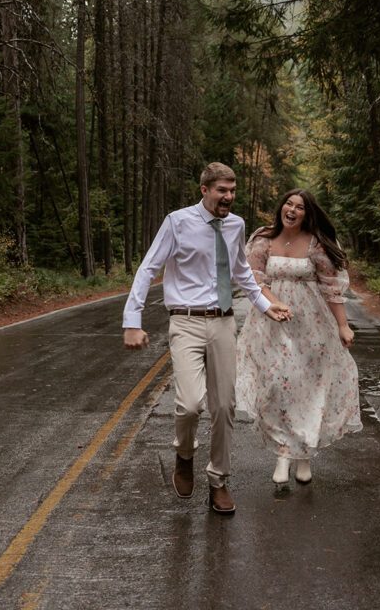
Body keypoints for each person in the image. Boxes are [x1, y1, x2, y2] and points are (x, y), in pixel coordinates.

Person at [122, 162, 291, 515]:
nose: (228, 197)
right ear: (204, 190)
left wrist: (265, 305)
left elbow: (242, 272)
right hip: (185, 321)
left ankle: (219, 481)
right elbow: (148, 268)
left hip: (224, 323)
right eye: (221, 191)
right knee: (188, 405)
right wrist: (131, 321)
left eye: (232, 191)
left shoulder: (236, 225)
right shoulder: (177, 222)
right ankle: (184, 454)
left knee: (225, 407)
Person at [236, 188, 362, 485]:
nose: (292, 210)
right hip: (271, 323)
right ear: (281, 208)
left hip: (311, 324)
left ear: (308, 213)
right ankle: (282, 453)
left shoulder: (316, 244)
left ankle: (302, 454)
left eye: (300, 207)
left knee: (307, 387)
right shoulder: (263, 239)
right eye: (289, 204)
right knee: (277, 386)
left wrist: (343, 326)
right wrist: (273, 303)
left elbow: (332, 288)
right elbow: (254, 280)